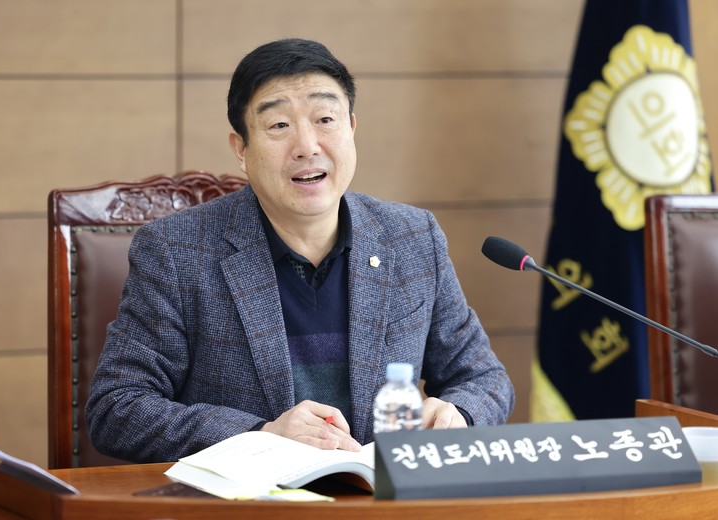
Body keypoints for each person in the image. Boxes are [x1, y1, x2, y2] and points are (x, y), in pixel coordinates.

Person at [86, 38, 514, 463]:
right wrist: (261, 435)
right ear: (241, 150)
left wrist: (459, 414)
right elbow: (117, 408)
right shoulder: (175, 251)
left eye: (325, 119)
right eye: (279, 126)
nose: (307, 146)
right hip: (251, 496)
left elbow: (484, 379)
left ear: (352, 129)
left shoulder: (412, 237)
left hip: (378, 492)